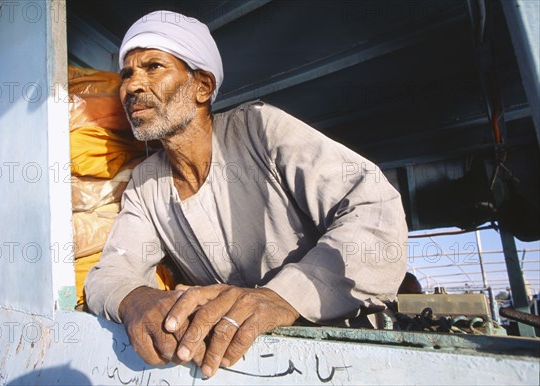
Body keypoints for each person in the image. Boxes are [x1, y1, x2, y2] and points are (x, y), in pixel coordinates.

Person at [85, 10, 408, 378]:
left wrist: (282, 297)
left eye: (153, 66)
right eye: (126, 74)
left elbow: (372, 205)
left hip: (341, 358)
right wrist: (136, 299)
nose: (132, 86)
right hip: (235, 367)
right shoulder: (146, 184)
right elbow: (108, 273)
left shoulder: (259, 129)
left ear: (202, 87)